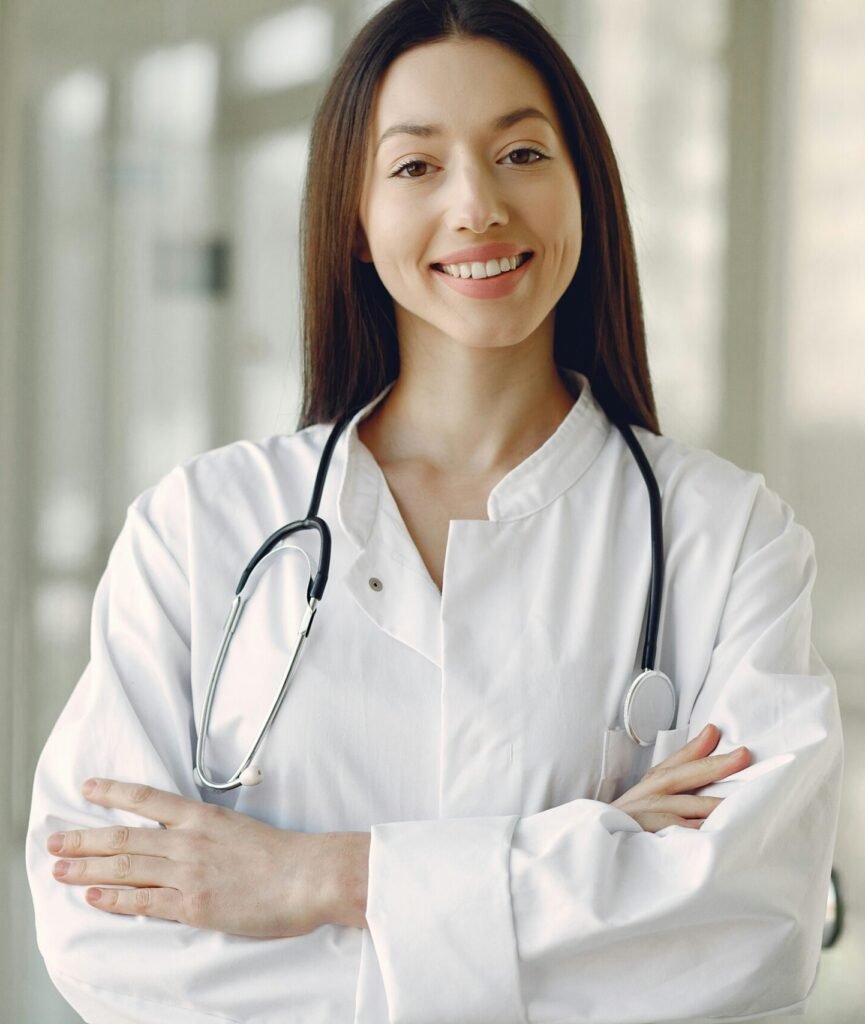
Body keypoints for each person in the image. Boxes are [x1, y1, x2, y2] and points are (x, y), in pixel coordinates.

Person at [26, 0, 843, 1021]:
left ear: (583, 184)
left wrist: (319, 879)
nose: (477, 206)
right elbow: (106, 932)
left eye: (520, 153)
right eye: (416, 166)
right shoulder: (202, 526)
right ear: (355, 222)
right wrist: (591, 862)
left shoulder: (725, 536)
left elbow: (748, 924)